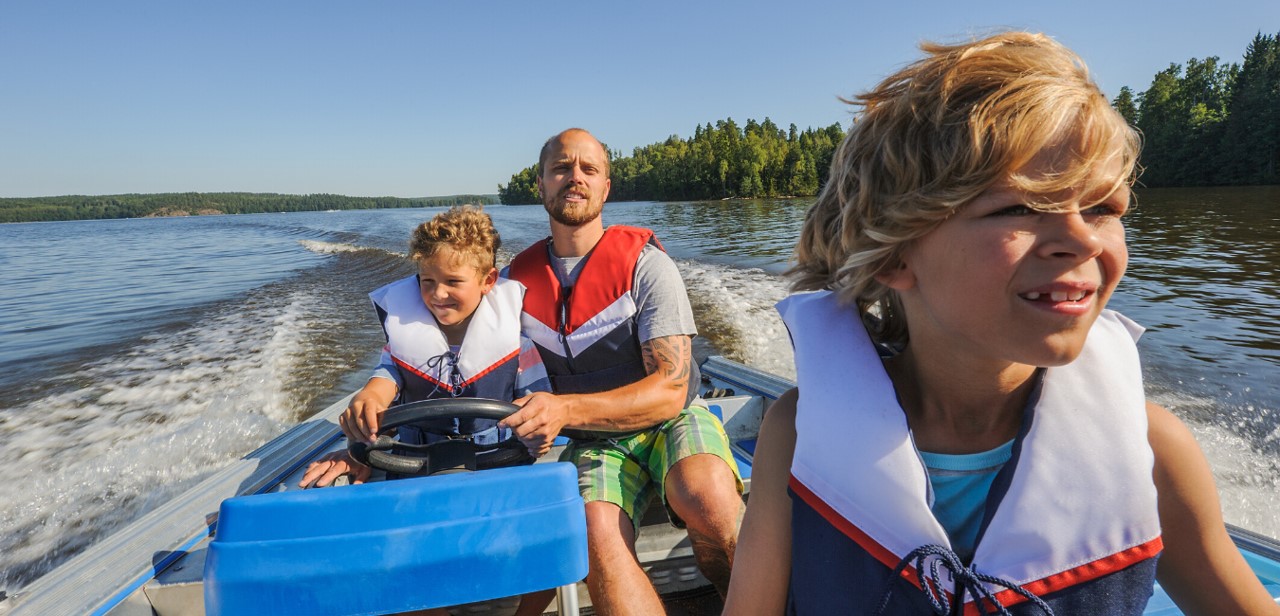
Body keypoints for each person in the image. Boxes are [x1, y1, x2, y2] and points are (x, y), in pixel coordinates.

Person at [724, 32, 1280, 615]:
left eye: (1103, 208)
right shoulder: (797, 433)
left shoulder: (1155, 451)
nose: (1083, 238)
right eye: (1019, 207)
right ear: (893, 254)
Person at [498, 128, 745, 613]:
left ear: (606, 187)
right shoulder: (513, 286)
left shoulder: (647, 267)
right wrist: (369, 437)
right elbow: (465, 368)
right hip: (592, 441)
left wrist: (564, 407)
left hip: (671, 421)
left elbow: (672, 390)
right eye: (562, 168)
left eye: (589, 169)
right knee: (595, 534)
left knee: (708, 497)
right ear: (541, 185)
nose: (575, 178)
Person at [298, 205, 554, 616]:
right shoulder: (401, 350)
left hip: (499, 473)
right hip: (418, 477)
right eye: (427, 281)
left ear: (489, 281)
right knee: (403, 570)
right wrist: (366, 403)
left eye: (453, 282)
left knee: (548, 565)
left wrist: (536, 428)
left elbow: (539, 409)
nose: (437, 294)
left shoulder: (520, 349)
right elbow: (381, 385)